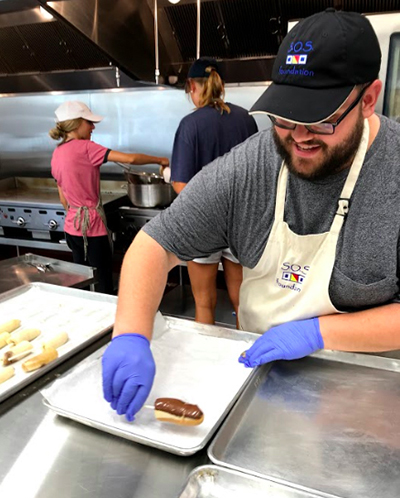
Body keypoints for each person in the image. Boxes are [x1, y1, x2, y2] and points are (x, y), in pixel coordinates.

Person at [102, 8, 400, 422]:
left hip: (368, 403)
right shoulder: (252, 166)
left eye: (319, 119)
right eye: (284, 117)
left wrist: (320, 333)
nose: (298, 136)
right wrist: (131, 333)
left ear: (367, 99)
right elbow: (155, 244)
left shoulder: (394, 173)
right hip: (257, 393)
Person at [170, 57, 258, 325]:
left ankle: (205, 361)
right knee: (243, 303)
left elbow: (180, 184)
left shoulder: (190, 124)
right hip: (240, 223)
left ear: (191, 86)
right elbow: (256, 174)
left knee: (205, 303)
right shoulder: (245, 119)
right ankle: (247, 359)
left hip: (203, 224)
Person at [49, 101, 169, 294]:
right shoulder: (87, 148)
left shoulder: (57, 153)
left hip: (72, 229)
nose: (93, 127)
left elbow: (63, 199)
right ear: (77, 123)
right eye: (89, 122)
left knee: (82, 282)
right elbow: (130, 159)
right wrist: (160, 160)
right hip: (93, 230)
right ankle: (108, 322)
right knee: (103, 281)